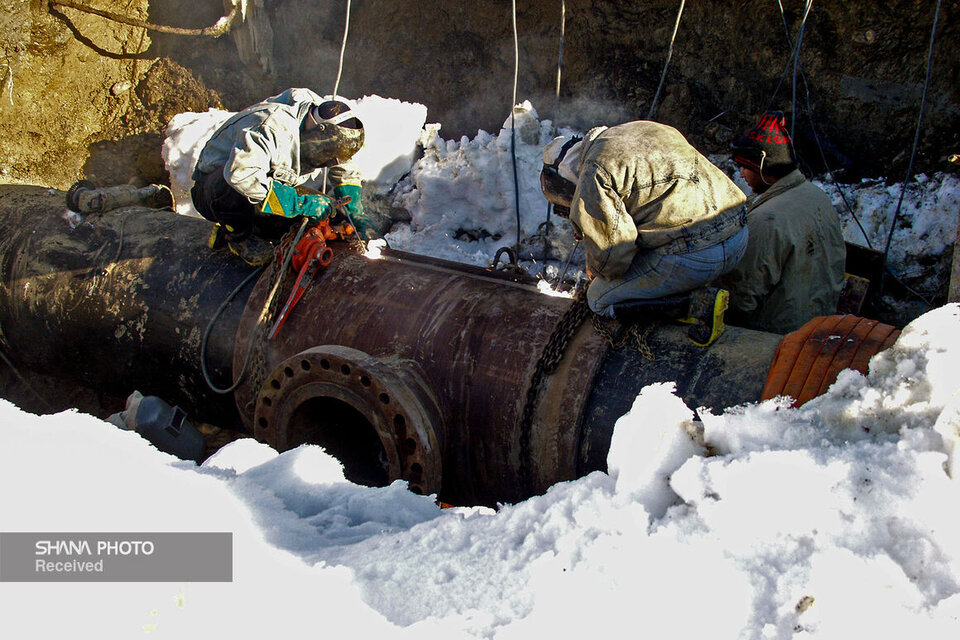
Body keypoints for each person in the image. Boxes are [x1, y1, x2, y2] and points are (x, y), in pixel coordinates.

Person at [540, 120, 749, 317]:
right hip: (739, 237)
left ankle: (693, 307)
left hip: (697, 257)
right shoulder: (641, 129)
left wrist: (597, 271)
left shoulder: (593, 171)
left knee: (598, 299)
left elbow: (613, 258)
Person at [191, 88, 374, 266]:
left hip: (267, 184)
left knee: (330, 213)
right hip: (217, 189)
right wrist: (300, 204)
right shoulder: (271, 127)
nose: (330, 162)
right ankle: (237, 235)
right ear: (318, 134)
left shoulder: (327, 122)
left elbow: (344, 166)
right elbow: (241, 175)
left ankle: (261, 228)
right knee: (231, 186)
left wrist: (356, 215)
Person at [718, 111, 846, 334]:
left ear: (764, 167)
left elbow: (742, 296)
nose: (742, 174)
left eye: (746, 167)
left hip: (779, 333)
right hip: (819, 317)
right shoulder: (815, 195)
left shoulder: (767, 221)